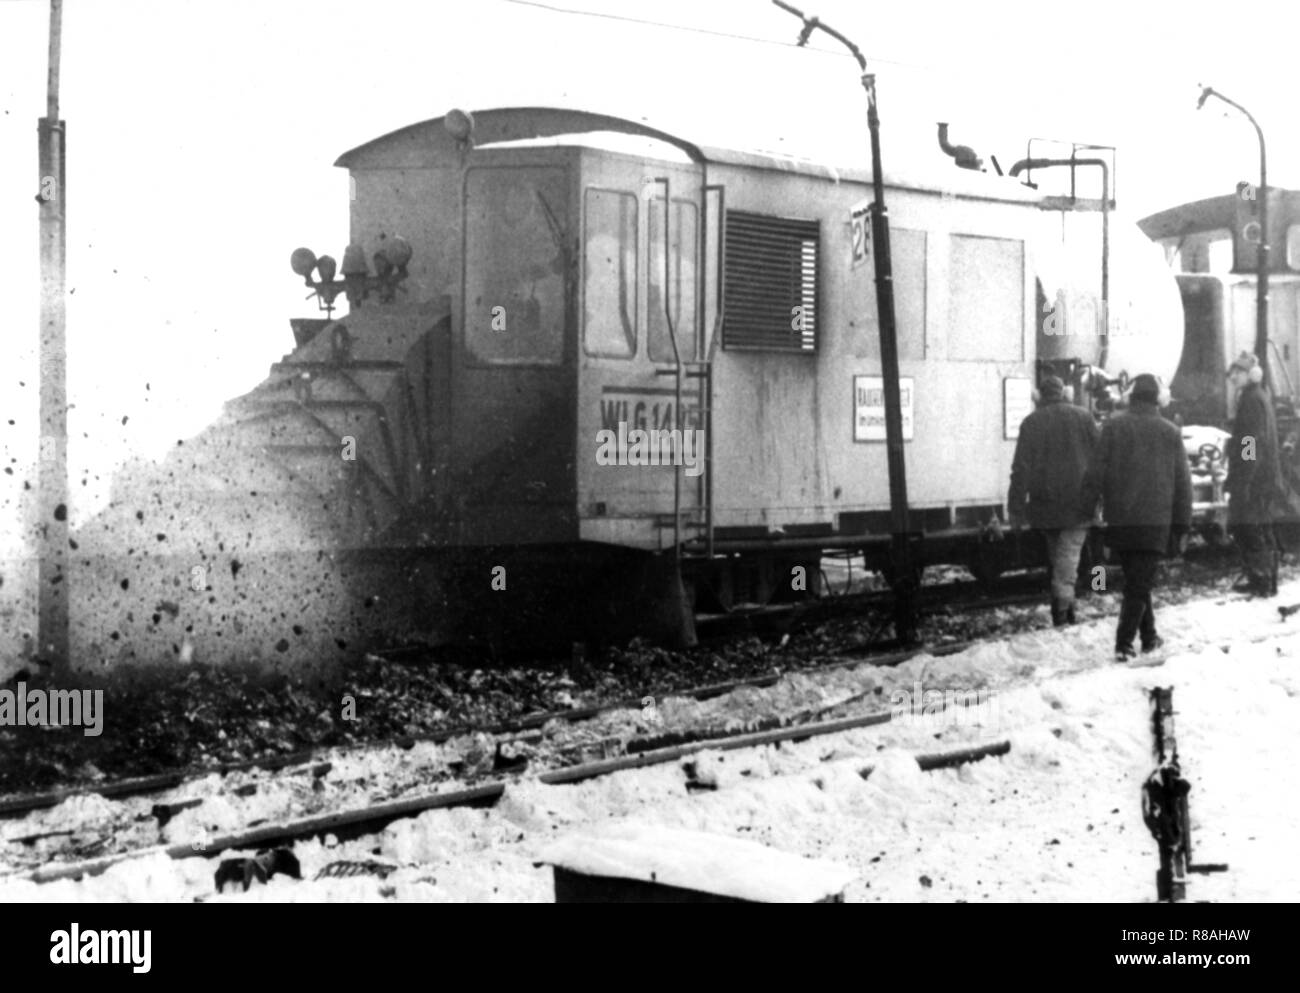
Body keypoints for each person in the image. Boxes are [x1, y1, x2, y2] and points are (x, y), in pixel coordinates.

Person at [1080, 373, 1193, 661]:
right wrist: (1182, 526)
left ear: (1131, 397)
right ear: (1158, 399)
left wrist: (1088, 508)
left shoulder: (1113, 426)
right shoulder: (1170, 432)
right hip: (1156, 522)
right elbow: (1183, 485)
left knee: (1137, 579)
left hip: (1121, 519)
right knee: (1138, 583)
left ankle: (1150, 637)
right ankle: (1124, 643)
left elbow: (1095, 472)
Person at [1007, 374, 1100, 625]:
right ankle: (1062, 617)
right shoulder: (1084, 417)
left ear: (1040, 396)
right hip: (1079, 507)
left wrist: (1015, 509)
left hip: (1044, 507)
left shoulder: (1031, 422)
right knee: (1066, 564)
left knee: (1058, 562)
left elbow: (1020, 470)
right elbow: (1100, 462)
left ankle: (1063, 612)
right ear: (1064, 393)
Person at [1224, 351, 1284, 597]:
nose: (1232, 377)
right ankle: (1267, 580)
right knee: (1260, 527)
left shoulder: (1250, 400)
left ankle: (1261, 580)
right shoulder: (1259, 396)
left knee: (1251, 528)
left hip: (1254, 479)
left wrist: (1244, 479)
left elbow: (1250, 441)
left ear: (1250, 375)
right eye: (1231, 373)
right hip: (1263, 477)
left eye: (1237, 373)